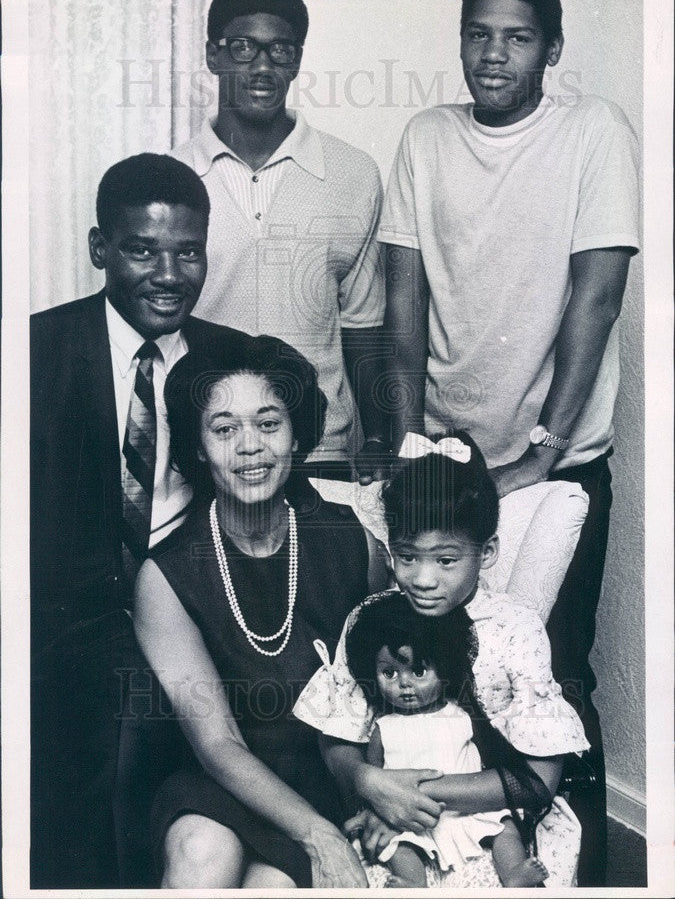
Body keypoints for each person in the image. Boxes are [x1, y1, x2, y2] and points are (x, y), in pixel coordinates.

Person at [377, 0, 640, 884]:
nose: (493, 54)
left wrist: (541, 454)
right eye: (479, 34)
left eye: (517, 36)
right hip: (445, 456)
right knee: (438, 669)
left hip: (557, 461)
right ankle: (459, 863)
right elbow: (402, 304)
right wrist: (411, 447)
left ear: (551, 48)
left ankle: (583, 872)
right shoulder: (424, 136)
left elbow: (596, 298)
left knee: (551, 675)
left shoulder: (593, 132)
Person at [30, 153, 250, 887]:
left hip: (194, 610)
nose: (169, 273)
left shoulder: (231, 361)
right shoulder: (34, 353)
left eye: (188, 252)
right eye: (141, 249)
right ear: (100, 250)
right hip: (63, 613)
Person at [133, 334, 390, 888]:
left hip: (328, 775)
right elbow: (216, 742)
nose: (250, 446)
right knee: (201, 852)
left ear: (296, 435)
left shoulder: (354, 544)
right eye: (224, 429)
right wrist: (317, 834)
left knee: (269, 889)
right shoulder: (167, 576)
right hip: (224, 778)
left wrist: (371, 789)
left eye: (268, 423)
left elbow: (388, 695)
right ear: (198, 448)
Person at [294, 431, 590, 888]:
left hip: (495, 818)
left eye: (446, 560)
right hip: (390, 822)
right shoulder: (369, 620)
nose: (424, 579)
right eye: (407, 557)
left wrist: (411, 793)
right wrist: (367, 783)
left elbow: (538, 780)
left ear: (486, 552)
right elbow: (337, 733)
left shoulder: (515, 628)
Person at [172, 0, 387, 481]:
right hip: (208, 455)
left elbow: (363, 326)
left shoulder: (353, 174)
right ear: (213, 55)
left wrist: (378, 437)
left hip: (322, 456)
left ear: (298, 61)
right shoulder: (172, 182)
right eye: (243, 47)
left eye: (282, 50)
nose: (263, 66)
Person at [345, 592, 549, 888]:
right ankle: (412, 883)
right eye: (389, 673)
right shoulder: (383, 727)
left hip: (466, 808)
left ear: (444, 670)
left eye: (418, 671)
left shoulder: (462, 715)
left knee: (504, 827)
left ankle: (513, 872)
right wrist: (374, 808)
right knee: (400, 847)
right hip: (410, 813)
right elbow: (373, 778)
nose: (404, 683)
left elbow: (486, 761)